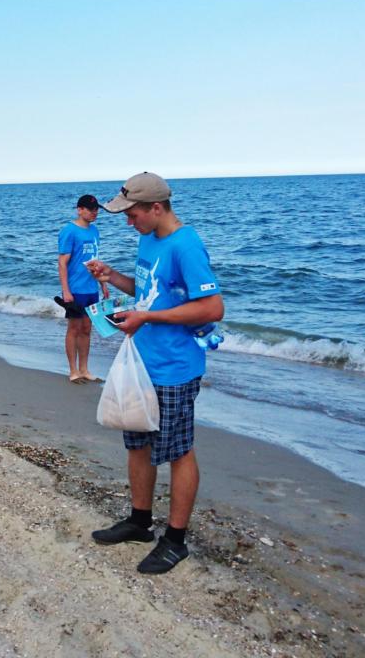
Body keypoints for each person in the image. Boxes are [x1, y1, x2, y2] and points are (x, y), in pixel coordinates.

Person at [84, 172, 224, 574]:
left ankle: (175, 540)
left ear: (157, 208)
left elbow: (212, 309)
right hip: (142, 362)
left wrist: (147, 317)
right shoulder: (149, 239)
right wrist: (113, 277)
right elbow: (148, 293)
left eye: (133, 214)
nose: (129, 222)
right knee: (138, 444)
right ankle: (140, 521)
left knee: (178, 452)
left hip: (175, 367)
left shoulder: (186, 245)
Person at [57, 194, 103, 383]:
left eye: (96, 209)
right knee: (74, 328)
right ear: (80, 210)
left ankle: (84, 369)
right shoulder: (69, 231)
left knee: (87, 328)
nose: (94, 212)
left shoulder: (94, 231)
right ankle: (73, 370)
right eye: (90, 209)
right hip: (75, 288)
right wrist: (66, 290)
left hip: (91, 288)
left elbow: (95, 261)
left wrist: (103, 283)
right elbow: (62, 263)